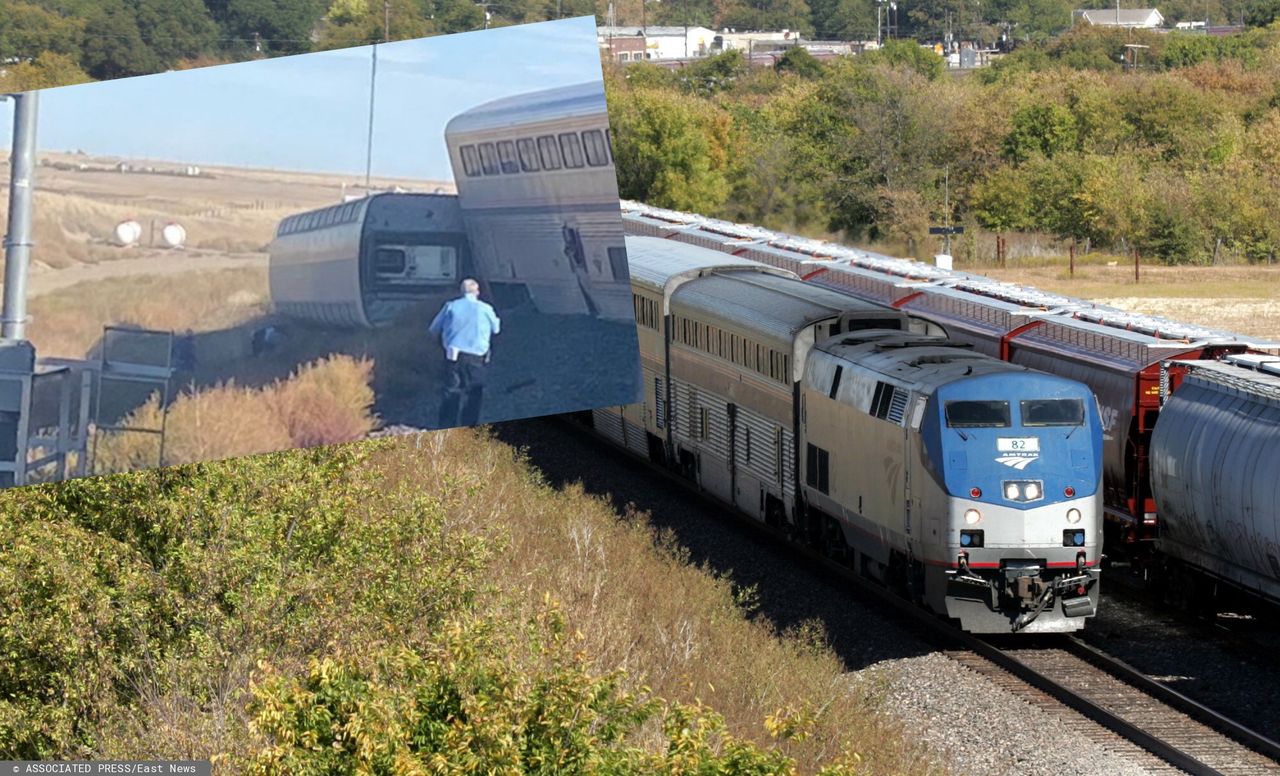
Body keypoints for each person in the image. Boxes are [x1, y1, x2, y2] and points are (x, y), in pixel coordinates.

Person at [428, 278, 501, 427]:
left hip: (453, 356)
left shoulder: (450, 307)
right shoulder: (485, 308)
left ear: (461, 292)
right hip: (476, 358)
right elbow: (496, 329)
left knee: (451, 391)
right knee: (474, 393)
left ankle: (446, 427)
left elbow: (433, 329)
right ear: (477, 292)